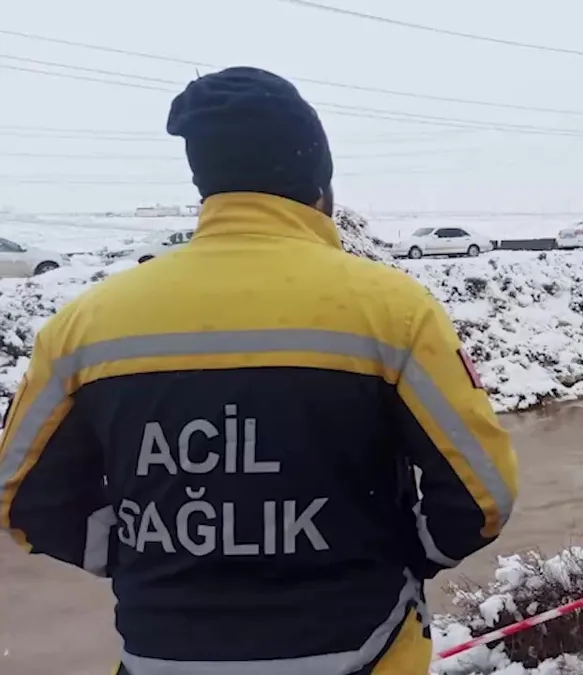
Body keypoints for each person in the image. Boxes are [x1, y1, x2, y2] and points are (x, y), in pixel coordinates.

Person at [0, 66, 518, 675]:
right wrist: (407, 552)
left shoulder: (84, 325)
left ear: (207, 186)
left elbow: (22, 497)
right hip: (364, 652)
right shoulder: (394, 312)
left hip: (161, 658)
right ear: (319, 189)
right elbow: (482, 495)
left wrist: (136, 553)